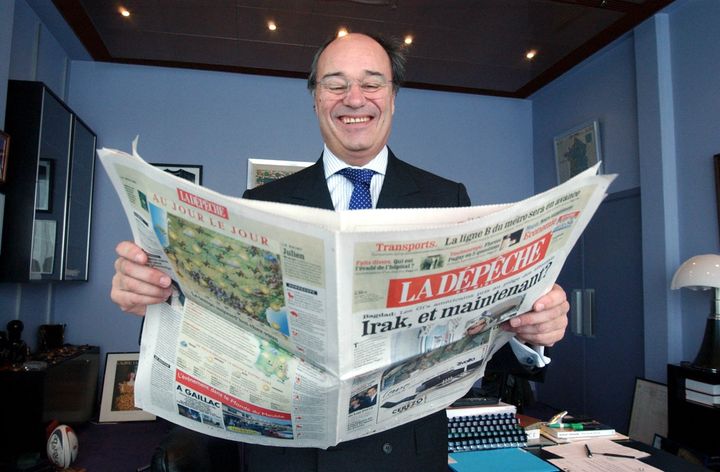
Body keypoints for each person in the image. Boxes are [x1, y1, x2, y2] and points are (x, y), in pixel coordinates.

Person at [111, 32, 569, 472]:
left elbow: (481, 348)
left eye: (372, 83)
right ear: (315, 98)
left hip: (406, 457)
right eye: (336, 84)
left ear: (393, 98)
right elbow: (220, 334)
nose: (355, 98)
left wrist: (532, 334)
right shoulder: (259, 204)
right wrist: (152, 302)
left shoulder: (447, 199)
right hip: (290, 458)